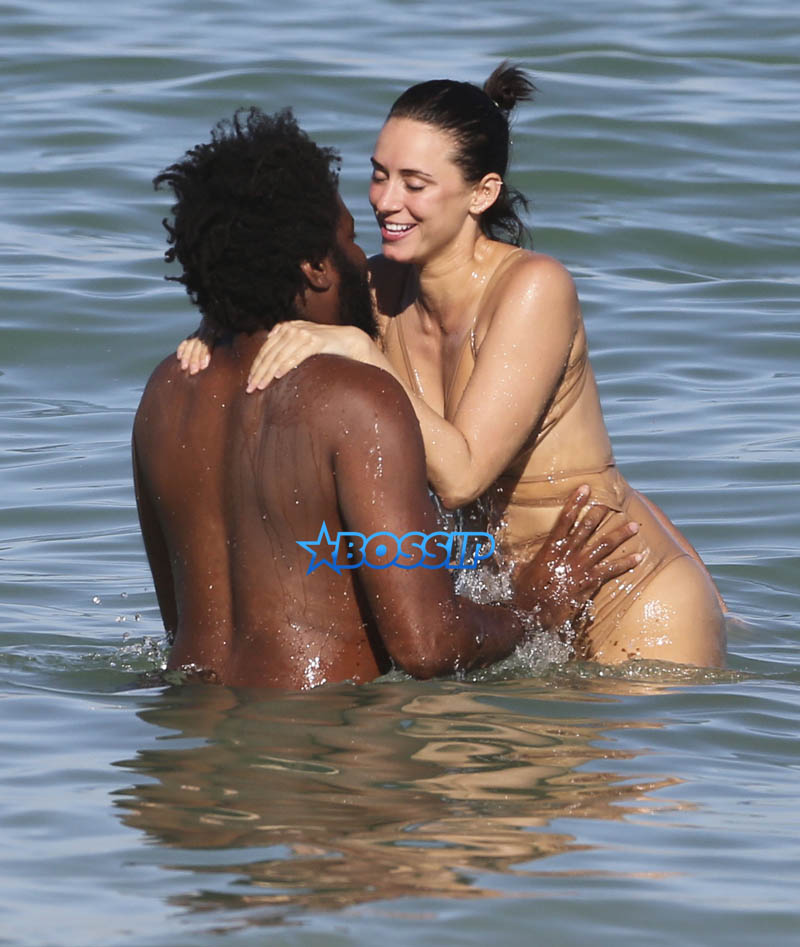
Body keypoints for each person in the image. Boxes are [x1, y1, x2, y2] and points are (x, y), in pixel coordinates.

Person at [180, 65, 727, 668]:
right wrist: (218, 331)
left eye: (414, 184)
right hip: (514, 605)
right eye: (379, 175)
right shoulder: (379, 288)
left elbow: (463, 476)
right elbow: (280, 292)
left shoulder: (533, 288)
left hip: (622, 590)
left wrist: (366, 353)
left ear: (482, 194)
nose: (386, 201)